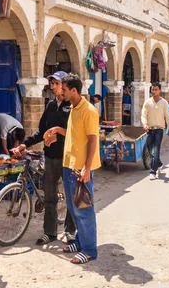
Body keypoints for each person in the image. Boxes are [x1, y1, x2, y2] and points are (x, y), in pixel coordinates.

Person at [12, 71, 76, 245]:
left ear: (64, 85)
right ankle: (50, 232)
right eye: (52, 84)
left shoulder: (71, 106)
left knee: (70, 196)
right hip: (50, 157)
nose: (53, 87)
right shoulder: (50, 106)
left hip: (67, 157)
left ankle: (70, 231)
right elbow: (41, 131)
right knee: (49, 196)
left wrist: (59, 136)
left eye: (56, 83)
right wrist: (24, 144)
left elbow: (75, 132)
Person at [60, 74, 100, 264]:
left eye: (64, 89)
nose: (61, 92)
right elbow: (75, 134)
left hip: (80, 168)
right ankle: (79, 241)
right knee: (72, 207)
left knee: (84, 209)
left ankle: (90, 249)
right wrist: (56, 132)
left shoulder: (89, 111)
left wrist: (86, 168)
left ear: (73, 90)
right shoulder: (73, 108)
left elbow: (93, 140)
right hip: (69, 165)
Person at [141, 82, 169, 180]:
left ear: (159, 90)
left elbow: (168, 117)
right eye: (152, 89)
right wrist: (145, 124)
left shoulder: (164, 103)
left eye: (155, 89)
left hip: (159, 129)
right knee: (150, 149)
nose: (153, 91)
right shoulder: (147, 102)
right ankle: (159, 163)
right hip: (150, 129)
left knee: (156, 150)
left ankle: (152, 171)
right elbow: (143, 115)